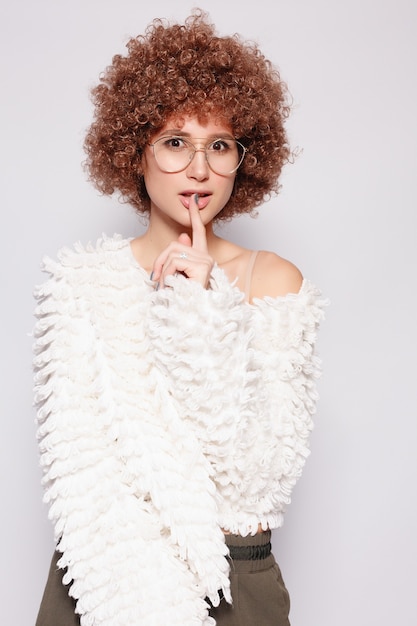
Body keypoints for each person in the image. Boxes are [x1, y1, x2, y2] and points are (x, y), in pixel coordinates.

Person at [33, 9, 326, 626]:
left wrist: (203, 310)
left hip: (228, 581)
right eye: (175, 143)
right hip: (101, 573)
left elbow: (255, 478)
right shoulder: (83, 287)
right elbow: (81, 472)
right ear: (133, 153)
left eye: (218, 145)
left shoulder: (270, 279)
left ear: (243, 159)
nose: (199, 169)